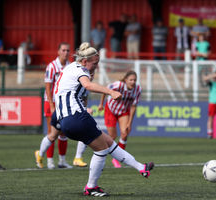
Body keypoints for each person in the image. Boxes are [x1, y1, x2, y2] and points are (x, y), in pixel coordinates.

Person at [54, 42, 154, 196]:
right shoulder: (82, 71)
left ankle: (141, 167)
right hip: (76, 117)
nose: (97, 66)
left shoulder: (71, 67)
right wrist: (110, 92)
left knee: (108, 141)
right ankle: (91, 187)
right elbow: (87, 85)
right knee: (102, 149)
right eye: (95, 63)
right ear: (85, 61)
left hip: (65, 119)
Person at [35, 42, 73, 169]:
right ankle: (50, 160)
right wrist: (51, 104)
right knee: (52, 132)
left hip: (64, 102)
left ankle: (62, 161)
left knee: (64, 132)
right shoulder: (52, 66)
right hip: (51, 102)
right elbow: (48, 86)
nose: (66, 53)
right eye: (63, 50)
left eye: (68, 50)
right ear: (58, 52)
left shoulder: (70, 66)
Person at [98, 70, 141, 168]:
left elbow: (134, 106)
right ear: (126, 80)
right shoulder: (118, 85)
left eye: (134, 80)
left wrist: (130, 123)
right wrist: (101, 104)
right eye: (130, 80)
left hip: (123, 112)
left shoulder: (137, 89)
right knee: (112, 136)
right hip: (111, 110)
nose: (133, 82)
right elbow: (105, 90)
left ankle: (116, 159)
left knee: (125, 133)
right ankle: (100, 156)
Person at [203, 72, 216, 139]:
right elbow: (205, 79)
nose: (215, 78)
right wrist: (212, 75)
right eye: (215, 77)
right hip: (212, 103)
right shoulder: (211, 83)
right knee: (210, 118)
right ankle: (210, 134)